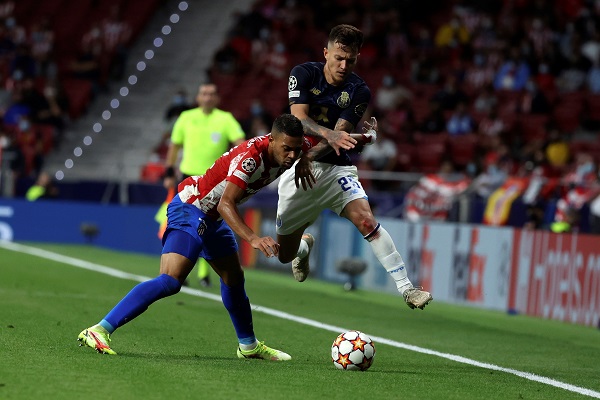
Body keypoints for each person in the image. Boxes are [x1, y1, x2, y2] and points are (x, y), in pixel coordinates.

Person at [78, 114, 304, 360]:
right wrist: (253, 238)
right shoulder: (251, 158)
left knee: (233, 277)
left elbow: (320, 143)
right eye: (287, 149)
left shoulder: (293, 148)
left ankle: (248, 346)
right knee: (171, 280)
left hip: (213, 218)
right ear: (272, 140)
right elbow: (225, 204)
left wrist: (336, 137)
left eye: (297, 150)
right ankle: (99, 329)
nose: (292, 156)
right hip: (192, 207)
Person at [275, 24, 432, 310]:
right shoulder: (302, 74)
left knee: (367, 221)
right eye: (338, 57)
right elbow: (298, 120)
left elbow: (340, 138)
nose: (344, 65)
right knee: (284, 254)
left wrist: (314, 154)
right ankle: (303, 246)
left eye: (351, 60)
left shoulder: (358, 90)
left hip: (334, 169)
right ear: (326, 53)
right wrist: (323, 140)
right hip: (298, 172)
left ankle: (408, 289)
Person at [163, 82, 246, 287]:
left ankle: (202, 273)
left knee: (208, 223)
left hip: (214, 181)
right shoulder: (186, 117)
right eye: (204, 94)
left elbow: (241, 143)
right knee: (184, 224)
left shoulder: (225, 119)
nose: (207, 97)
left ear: (217, 98)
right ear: (198, 97)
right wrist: (168, 171)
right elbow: (174, 146)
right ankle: (183, 268)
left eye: (211, 94)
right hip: (188, 179)